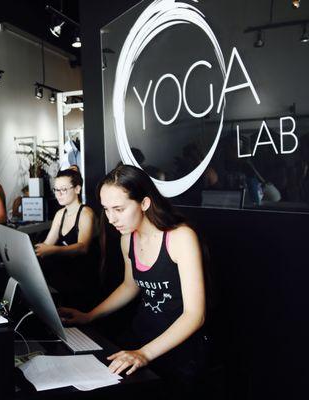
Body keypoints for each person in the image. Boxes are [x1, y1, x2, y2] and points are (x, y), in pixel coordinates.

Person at [59, 165, 207, 397]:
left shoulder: (180, 237)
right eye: (106, 209)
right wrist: (89, 315)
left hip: (177, 347)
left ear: (144, 203)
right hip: (140, 335)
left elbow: (195, 315)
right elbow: (130, 285)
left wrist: (144, 354)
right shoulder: (127, 238)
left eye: (119, 209)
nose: (111, 219)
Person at [34, 169, 96, 308]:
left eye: (63, 189)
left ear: (77, 189)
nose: (58, 194)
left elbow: (83, 247)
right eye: (56, 190)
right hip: (64, 274)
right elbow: (47, 244)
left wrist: (52, 250)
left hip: (82, 279)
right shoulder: (60, 214)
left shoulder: (86, 213)